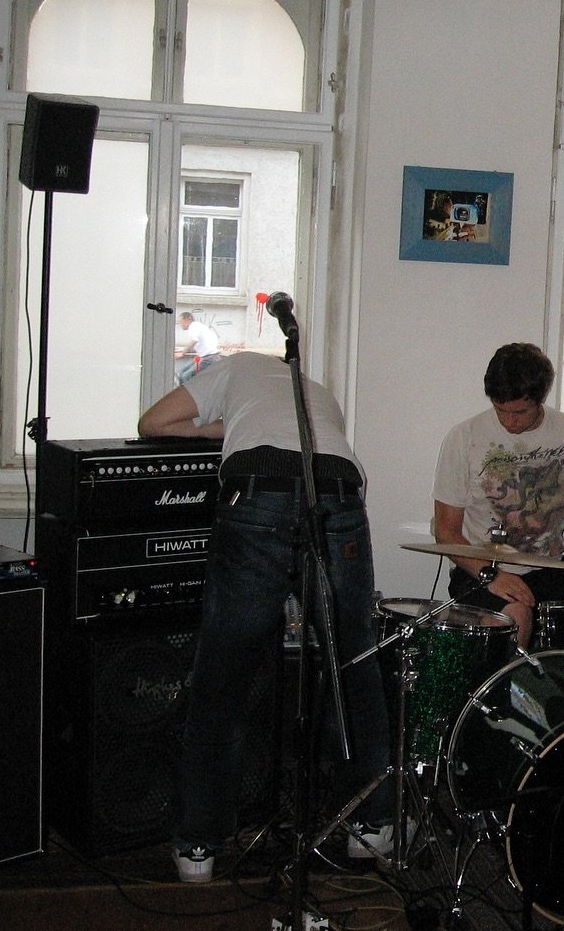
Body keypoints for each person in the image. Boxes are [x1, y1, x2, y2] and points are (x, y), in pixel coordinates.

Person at [139, 350, 392, 884]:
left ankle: (199, 845)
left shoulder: (234, 367)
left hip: (258, 491)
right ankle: (371, 825)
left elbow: (153, 423)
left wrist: (225, 428)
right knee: (354, 667)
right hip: (339, 492)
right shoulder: (316, 389)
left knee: (224, 673)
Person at [431, 343, 564, 648]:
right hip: (480, 571)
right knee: (515, 616)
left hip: (553, 567)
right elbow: (446, 531)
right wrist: (491, 576)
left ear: (541, 398)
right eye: (501, 410)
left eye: (520, 412)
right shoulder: (464, 438)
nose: (509, 422)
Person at [174, 312, 222, 384]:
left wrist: (182, 353)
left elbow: (194, 341)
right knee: (180, 372)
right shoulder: (198, 326)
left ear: (187, 320)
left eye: (181, 321)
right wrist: (182, 350)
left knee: (185, 376)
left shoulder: (193, 327)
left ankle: (189, 391)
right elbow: (197, 345)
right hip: (206, 357)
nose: (180, 324)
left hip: (209, 358)